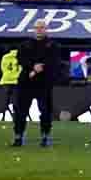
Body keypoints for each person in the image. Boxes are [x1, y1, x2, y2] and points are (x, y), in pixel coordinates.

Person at [12, 19, 61, 147]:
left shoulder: (53, 45)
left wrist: (40, 67)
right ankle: (18, 136)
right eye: (37, 27)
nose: (39, 30)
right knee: (20, 110)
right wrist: (33, 68)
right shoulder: (25, 44)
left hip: (44, 83)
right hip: (26, 82)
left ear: (46, 29)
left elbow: (54, 61)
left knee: (45, 111)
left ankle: (45, 136)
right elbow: (21, 59)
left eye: (42, 27)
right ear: (34, 29)